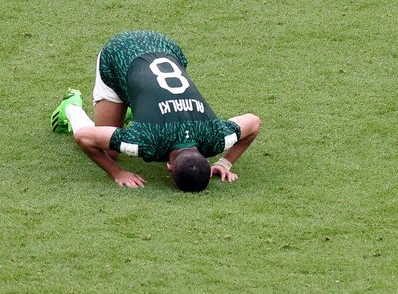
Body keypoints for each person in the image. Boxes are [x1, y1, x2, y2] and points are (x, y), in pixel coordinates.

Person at [50, 30, 262, 192]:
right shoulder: (147, 141)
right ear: (169, 167)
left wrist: (225, 162)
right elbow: (84, 137)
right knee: (110, 153)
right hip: (119, 53)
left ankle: (135, 111)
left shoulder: (216, 137)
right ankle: (70, 107)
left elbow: (253, 122)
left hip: (167, 46)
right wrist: (117, 173)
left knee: (127, 117)